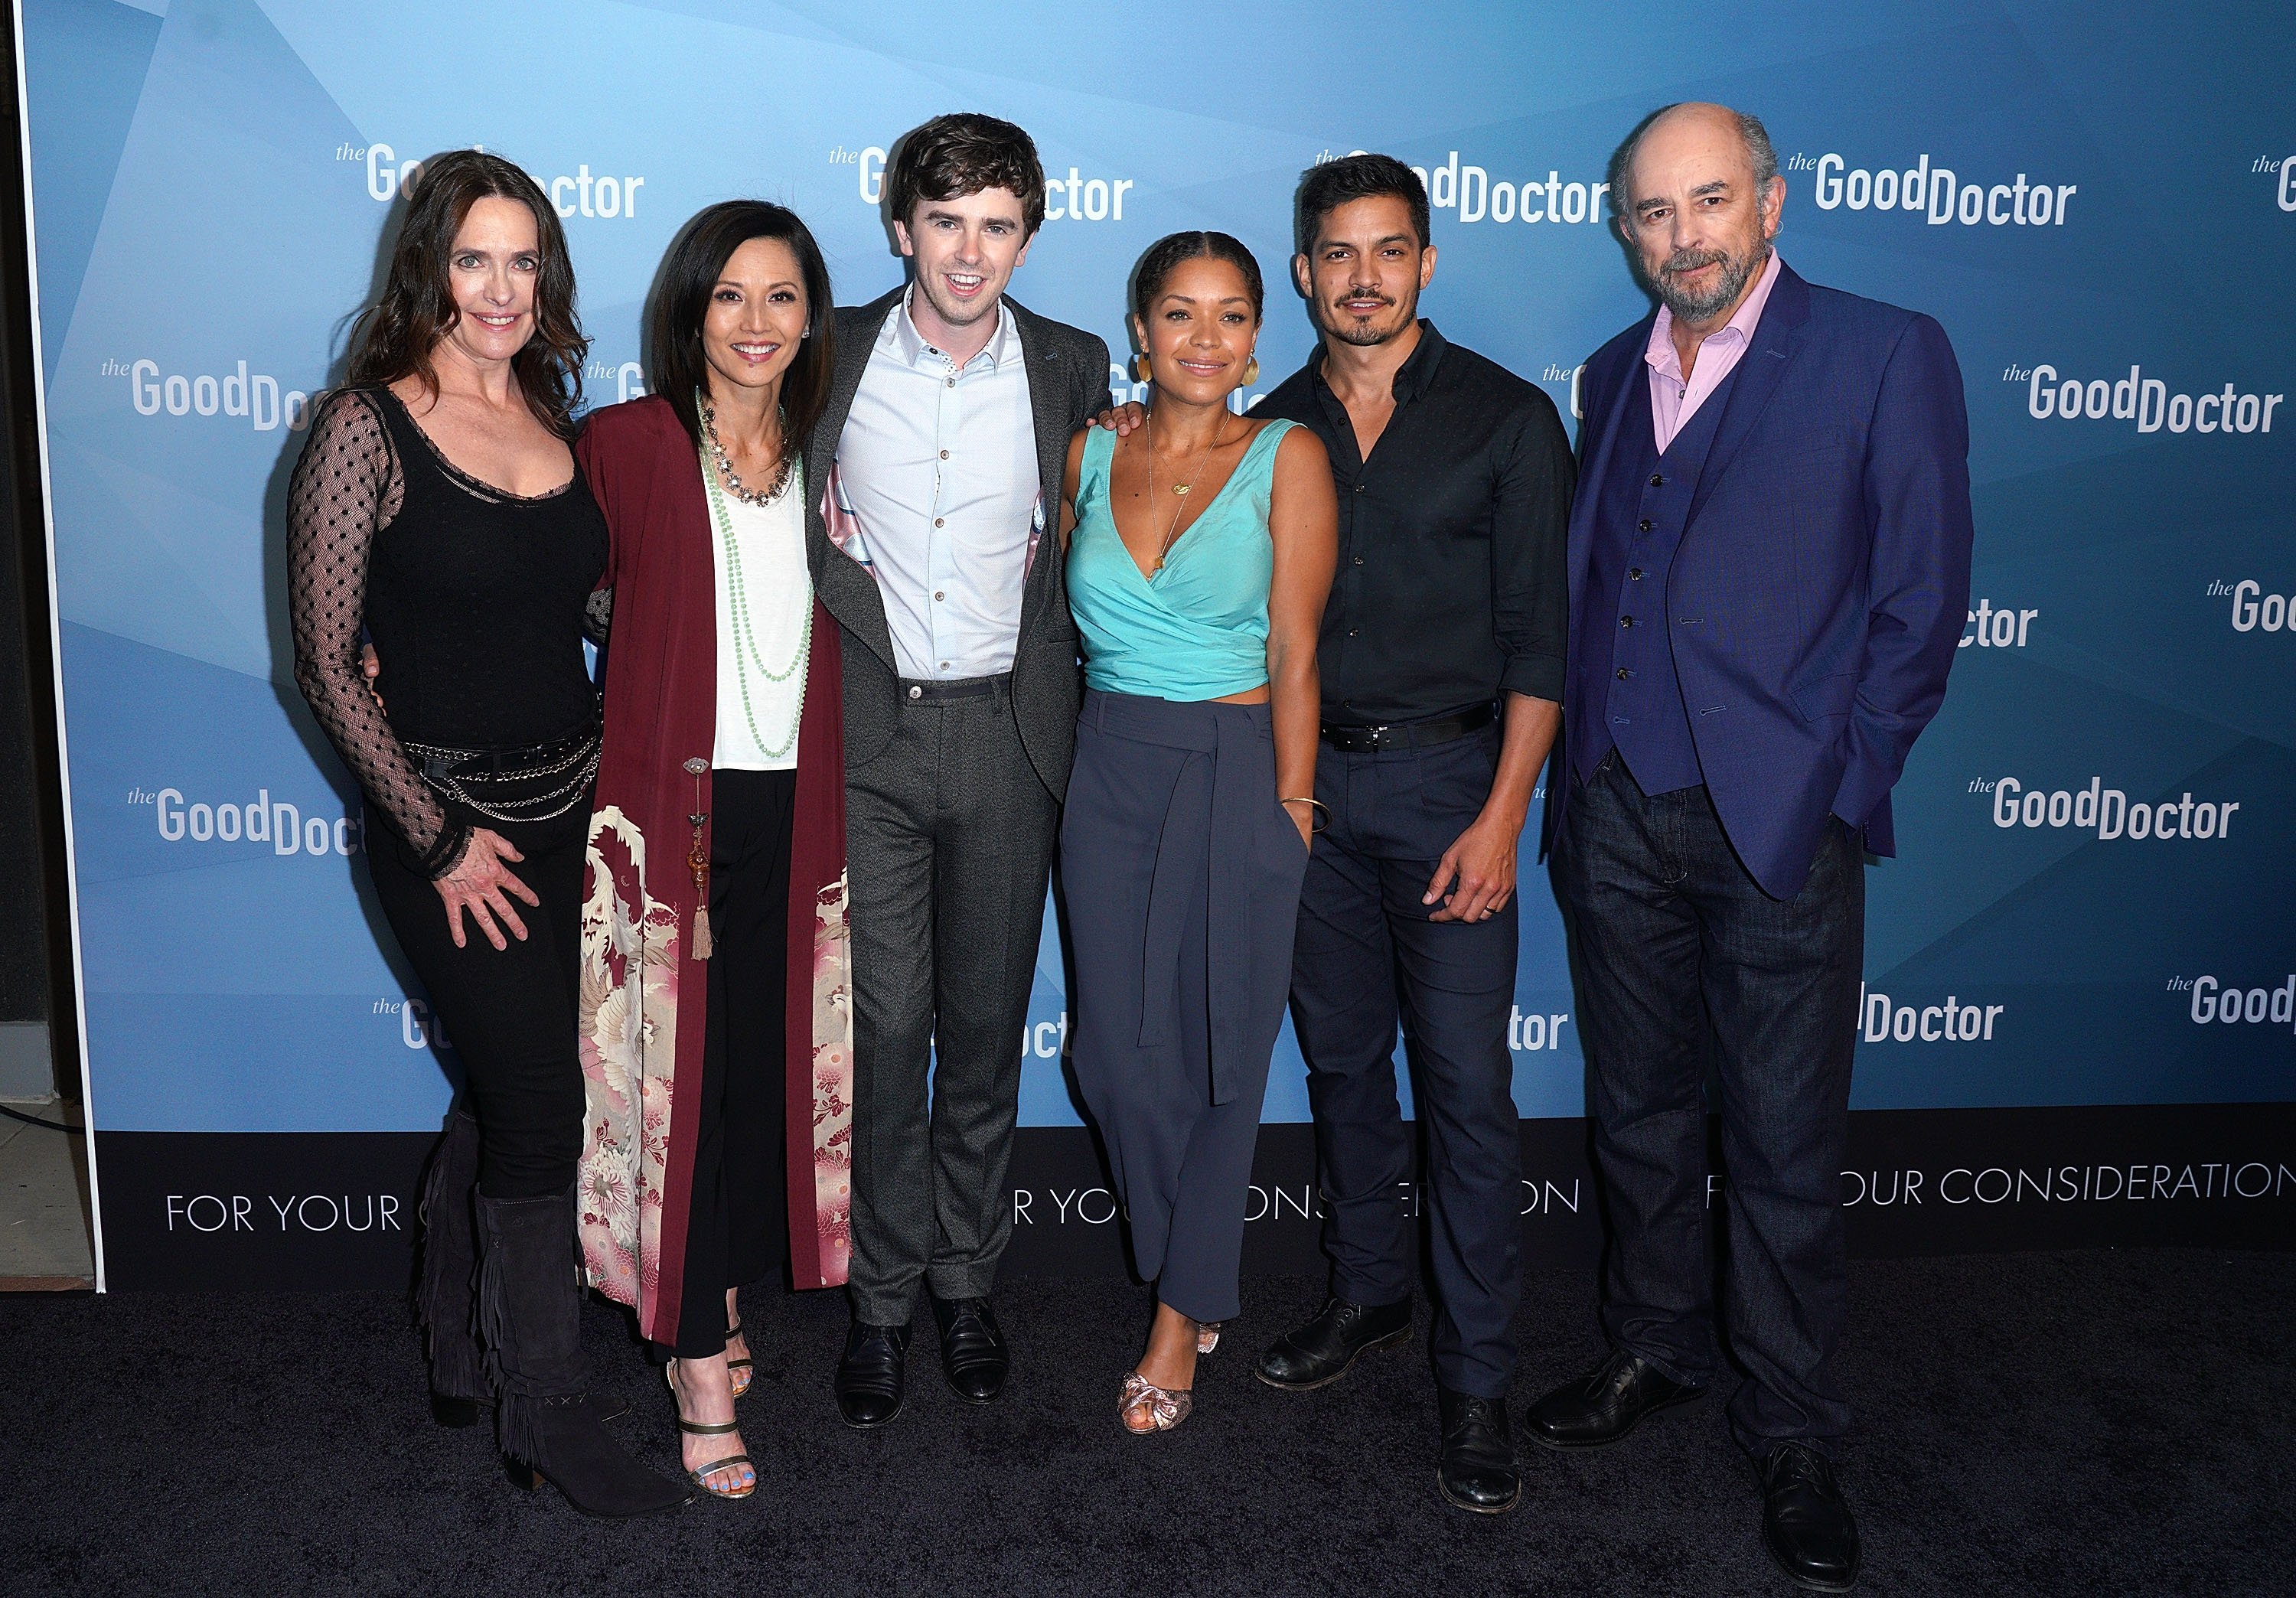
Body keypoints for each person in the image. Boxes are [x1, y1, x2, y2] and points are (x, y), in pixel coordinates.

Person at [1528, 103, 1971, 1593]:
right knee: (1640, 1112)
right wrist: (1579, 778)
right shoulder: (1608, 372)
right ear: (1626, 229)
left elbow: (1920, 604)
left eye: (1710, 202)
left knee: (1781, 1146)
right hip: (1613, 809)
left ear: (1770, 202)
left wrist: (1842, 787)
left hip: (1779, 822)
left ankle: (1792, 1425)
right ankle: (1653, 1348)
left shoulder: (1881, 351)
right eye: (1654, 214)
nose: (1684, 239)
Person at [286, 149, 687, 1518]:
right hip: (449, 827)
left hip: (577, 810)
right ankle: (549, 1416)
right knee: (541, 1106)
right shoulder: (364, 427)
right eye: (474, 259)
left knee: (512, 1087)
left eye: (523, 261)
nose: (501, 289)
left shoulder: (555, 418)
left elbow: (565, 610)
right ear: (428, 269)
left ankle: (459, 1338)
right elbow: (329, 662)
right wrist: (440, 838)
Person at [1247, 155, 1572, 1515]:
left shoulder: (1508, 417)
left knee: (1468, 1096)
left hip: (1454, 793)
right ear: (1306, 269)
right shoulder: (1267, 425)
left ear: (1427, 263)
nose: (1363, 276)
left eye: (1389, 251)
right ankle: (1369, 1295)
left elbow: (1543, 642)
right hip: (1312, 796)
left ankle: (1478, 1378)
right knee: (1340, 1069)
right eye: (1337, 253)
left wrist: (1505, 817)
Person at [809, 113, 1114, 1428]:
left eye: (997, 225)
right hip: (867, 737)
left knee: (985, 1035)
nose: (970, 251)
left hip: (1012, 735)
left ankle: (966, 1282)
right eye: (946, 222)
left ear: (1029, 235)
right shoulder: (823, 356)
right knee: (883, 1036)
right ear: (900, 230)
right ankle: (880, 1300)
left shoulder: (1074, 363)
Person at [572, 201, 853, 1500]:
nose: (756, 323)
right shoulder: (624, 445)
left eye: (782, 297)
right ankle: (691, 1364)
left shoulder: (831, 451)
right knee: (671, 1096)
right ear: (689, 310)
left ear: (813, 315)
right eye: (729, 296)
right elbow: (536, 581)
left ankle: (719, 1291)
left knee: (750, 1084)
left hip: (798, 817)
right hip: (661, 823)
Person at [1059, 233, 1336, 1434]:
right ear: (1141, 330)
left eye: (1230, 317)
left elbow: (1296, 650)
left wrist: (1292, 806)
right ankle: (1197, 1267)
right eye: (1180, 314)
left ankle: (1183, 1313)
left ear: (1257, 338)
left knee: (1225, 1050)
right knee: (1110, 1058)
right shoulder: (1084, 452)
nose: (1205, 339)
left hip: (1239, 766)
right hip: (1110, 763)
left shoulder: (1289, 455)